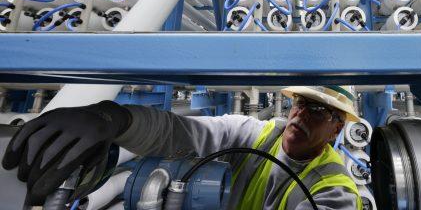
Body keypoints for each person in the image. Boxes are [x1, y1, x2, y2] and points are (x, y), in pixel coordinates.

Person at [2, 85, 363, 209]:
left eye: (317, 110)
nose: (300, 114)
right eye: (299, 103)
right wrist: (115, 120)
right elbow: (179, 132)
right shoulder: (256, 133)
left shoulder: (334, 189)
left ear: (335, 130)